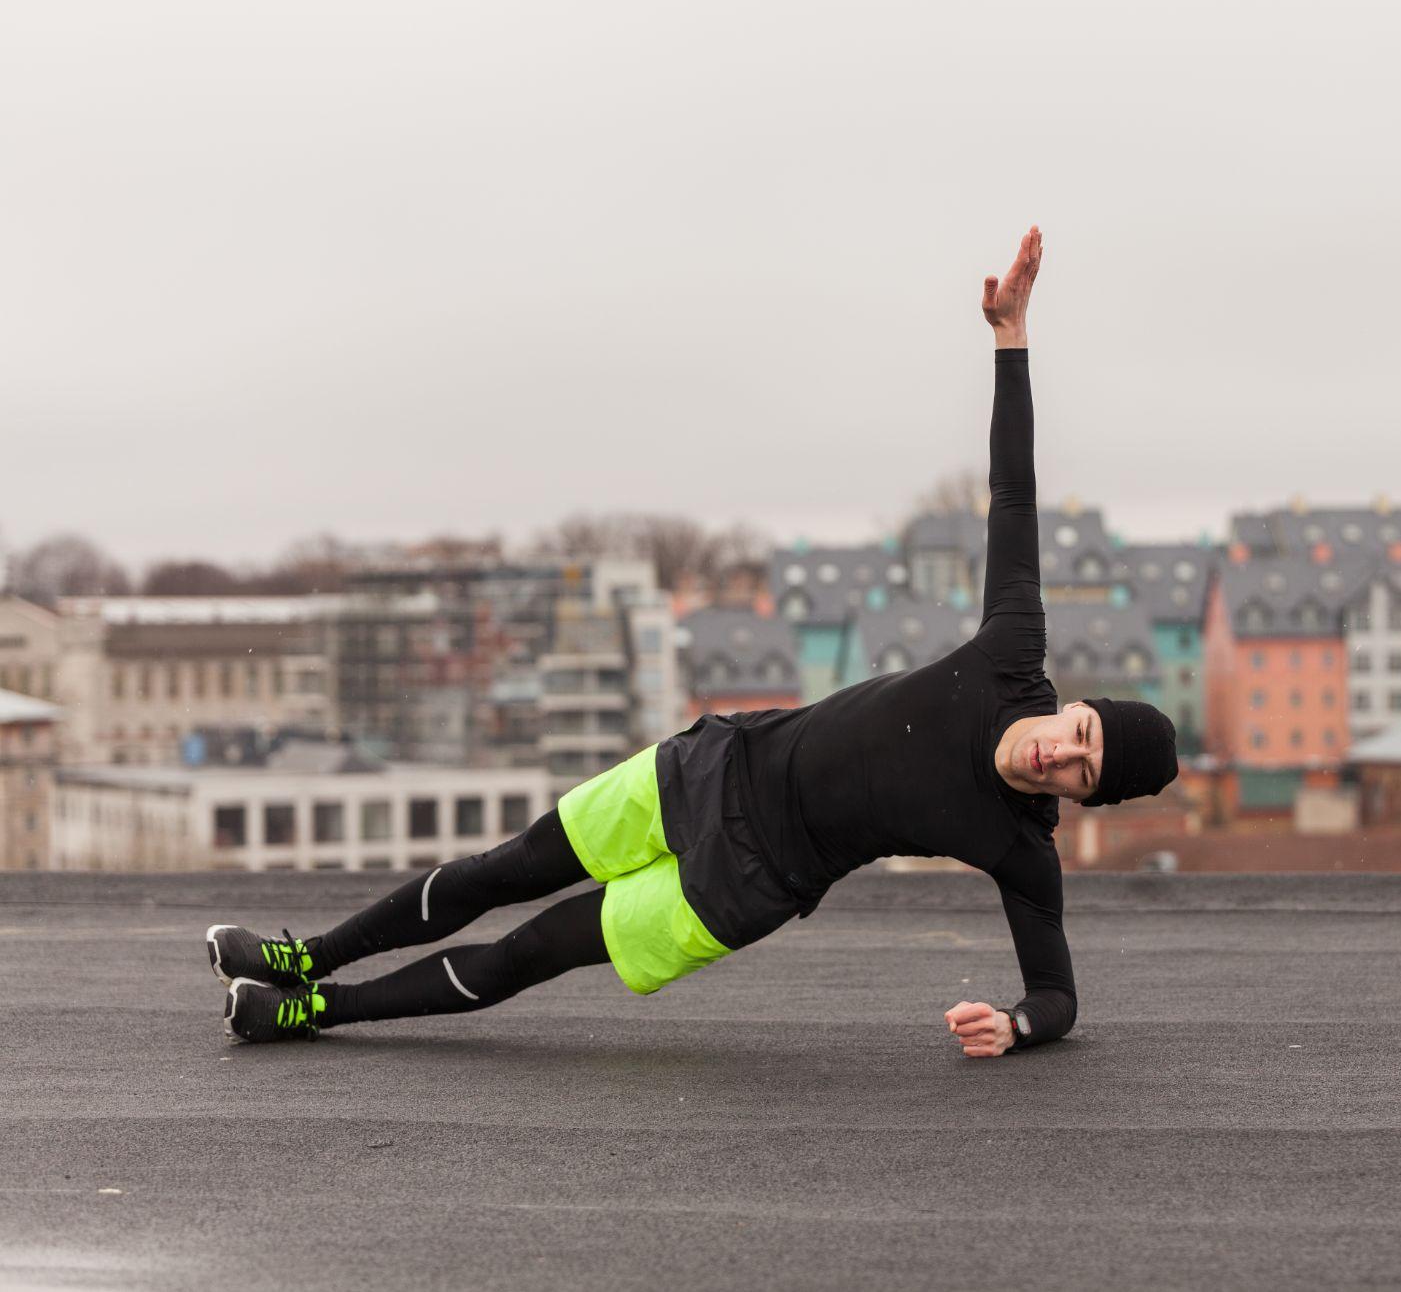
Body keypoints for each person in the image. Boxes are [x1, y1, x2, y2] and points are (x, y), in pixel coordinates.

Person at [207, 226, 1183, 1057]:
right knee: (497, 872)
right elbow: (1012, 493)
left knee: (531, 951)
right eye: (1081, 731)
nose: (1060, 752)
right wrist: (1010, 339)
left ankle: (311, 1012)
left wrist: (1012, 1026)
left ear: (1079, 799)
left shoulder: (1017, 847)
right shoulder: (1012, 651)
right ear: (1074, 707)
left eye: (1079, 772)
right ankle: (308, 956)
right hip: (714, 768)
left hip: (742, 885)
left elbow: (1057, 995)